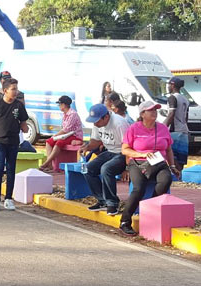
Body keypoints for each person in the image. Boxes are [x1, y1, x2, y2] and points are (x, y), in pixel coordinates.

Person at [119, 100, 181, 235]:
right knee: (138, 188)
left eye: (155, 110)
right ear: (142, 114)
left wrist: (172, 166)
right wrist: (142, 154)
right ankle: (125, 221)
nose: (154, 112)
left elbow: (169, 149)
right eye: (151, 110)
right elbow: (125, 150)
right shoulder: (134, 128)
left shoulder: (163, 128)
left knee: (165, 181)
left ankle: (149, 211)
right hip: (138, 163)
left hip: (159, 163)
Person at [80, 103, 130, 215]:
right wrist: (86, 147)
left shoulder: (119, 124)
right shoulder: (97, 124)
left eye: (97, 120)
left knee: (106, 169)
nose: (95, 123)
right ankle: (102, 201)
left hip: (123, 153)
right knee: (88, 169)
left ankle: (112, 203)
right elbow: (95, 141)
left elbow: (129, 146)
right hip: (109, 152)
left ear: (106, 117)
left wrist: (127, 167)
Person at [0, 78, 29, 211]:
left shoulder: (19, 105)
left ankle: (9, 198)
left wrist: (25, 128)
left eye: (16, 89)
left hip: (13, 141)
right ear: (5, 90)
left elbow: (23, 122)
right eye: (13, 89)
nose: (16, 91)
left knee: (11, 170)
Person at [39, 95, 84, 172]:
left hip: (74, 135)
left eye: (60, 104)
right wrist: (55, 136)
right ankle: (50, 165)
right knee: (49, 142)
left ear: (64, 105)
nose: (59, 106)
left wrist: (56, 135)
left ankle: (46, 163)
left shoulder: (72, 114)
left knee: (59, 142)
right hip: (67, 135)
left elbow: (66, 129)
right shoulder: (65, 115)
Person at [164, 76, 189, 172]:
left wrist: (162, 127)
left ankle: (175, 175)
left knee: (171, 155)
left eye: (169, 85)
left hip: (174, 131)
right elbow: (186, 118)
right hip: (184, 130)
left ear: (172, 85)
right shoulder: (185, 99)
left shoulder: (172, 97)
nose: (168, 87)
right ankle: (180, 175)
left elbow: (171, 114)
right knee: (181, 158)